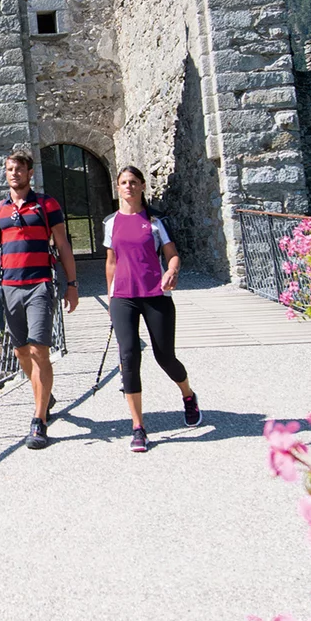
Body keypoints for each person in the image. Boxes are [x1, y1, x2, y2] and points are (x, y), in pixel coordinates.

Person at [0, 150, 80, 450]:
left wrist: (72, 285)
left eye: (19, 169)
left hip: (39, 285)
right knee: (21, 352)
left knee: (39, 350)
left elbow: (62, 244)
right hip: (8, 287)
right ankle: (44, 395)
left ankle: (39, 420)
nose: (14, 174)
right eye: (10, 169)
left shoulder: (47, 205)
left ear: (30, 172)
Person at [104, 165, 198, 452]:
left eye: (133, 182)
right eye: (123, 182)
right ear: (117, 188)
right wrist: (111, 299)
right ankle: (138, 427)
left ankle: (188, 395)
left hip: (156, 295)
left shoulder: (156, 221)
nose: (128, 187)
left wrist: (172, 271)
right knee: (129, 356)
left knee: (165, 357)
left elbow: (172, 256)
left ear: (143, 186)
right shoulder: (111, 223)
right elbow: (111, 261)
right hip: (123, 297)